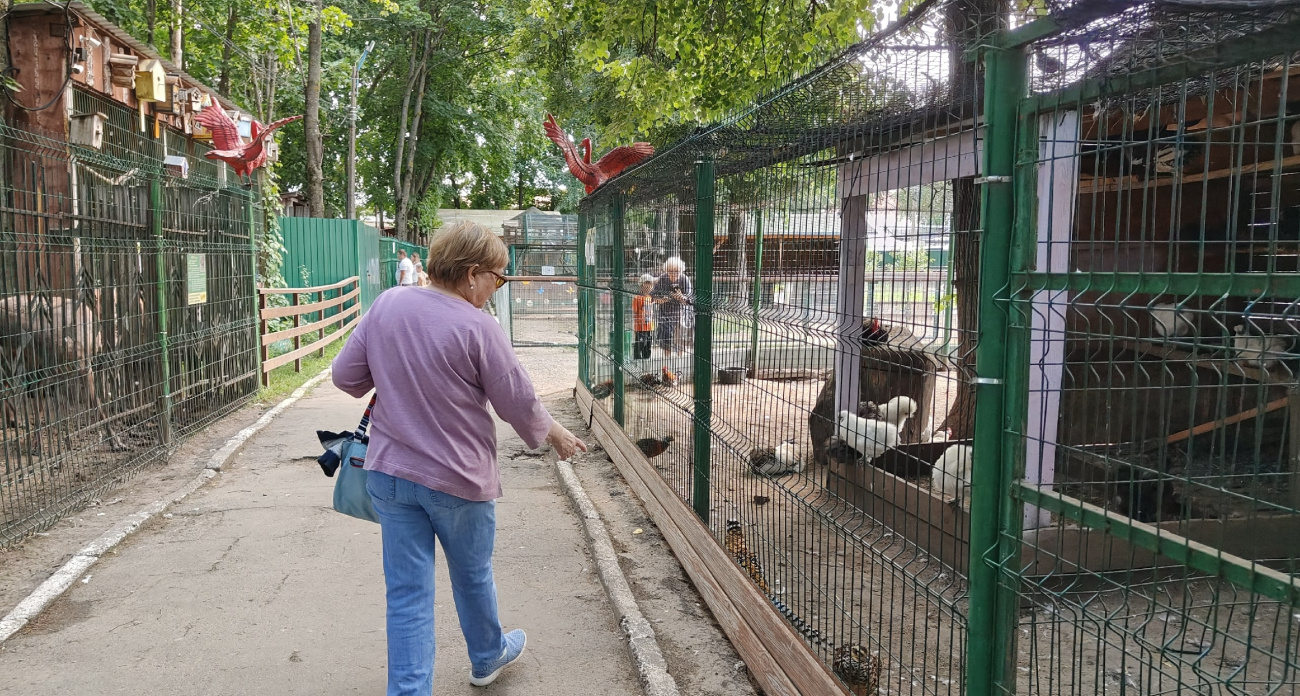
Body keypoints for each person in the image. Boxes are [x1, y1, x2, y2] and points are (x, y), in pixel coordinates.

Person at [332, 221, 587, 695]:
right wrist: (556, 435)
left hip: (390, 475)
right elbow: (516, 401)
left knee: (406, 593)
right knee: (472, 575)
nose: (496, 288)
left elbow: (346, 377)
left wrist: (395, 373)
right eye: (497, 277)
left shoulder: (388, 304)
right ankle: (488, 655)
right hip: (457, 479)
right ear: (472, 274)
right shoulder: (479, 327)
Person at [651, 257, 693, 357]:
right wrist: (660, 300)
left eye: (676, 271)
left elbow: (689, 298)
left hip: (681, 313)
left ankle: (680, 358)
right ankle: (667, 358)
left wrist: (681, 297)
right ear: (666, 270)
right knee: (665, 338)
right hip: (665, 313)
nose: (673, 274)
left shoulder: (685, 279)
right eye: (670, 271)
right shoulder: (663, 278)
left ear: (681, 270)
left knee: (680, 339)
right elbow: (653, 296)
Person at [632, 274, 655, 360]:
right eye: (648, 283)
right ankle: (637, 360)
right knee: (640, 345)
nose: (650, 286)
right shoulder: (637, 298)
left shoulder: (649, 297)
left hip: (649, 326)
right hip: (640, 327)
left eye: (651, 284)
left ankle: (646, 360)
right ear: (642, 284)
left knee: (648, 345)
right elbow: (635, 312)